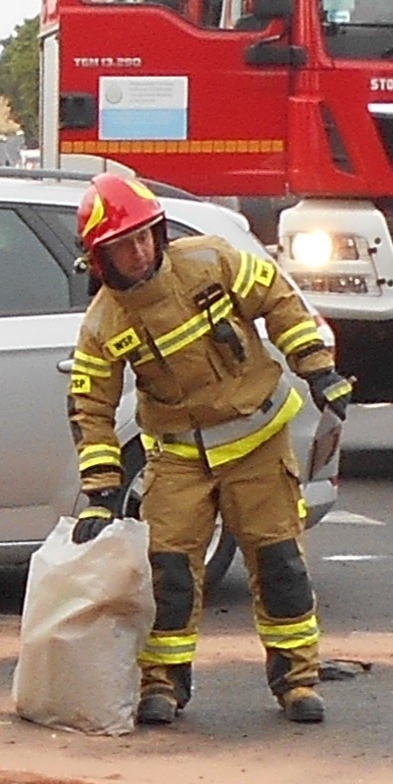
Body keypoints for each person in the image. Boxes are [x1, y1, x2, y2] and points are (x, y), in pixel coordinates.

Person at [66, 166, 352, 725]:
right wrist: (100, 494)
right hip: (179, 457)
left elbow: (279, 300)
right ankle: (163, 686)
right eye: (123, 246)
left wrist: (317, 368)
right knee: (168, 575)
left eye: (145, 237)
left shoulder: (211, 260)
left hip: (257, 442)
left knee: (280, 566)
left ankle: (296, 681)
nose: (140, 252)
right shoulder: (103, 324)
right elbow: (90, 409)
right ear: (100, 259)